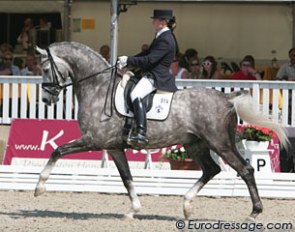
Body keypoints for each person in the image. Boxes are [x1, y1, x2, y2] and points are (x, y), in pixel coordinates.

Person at [117, 9, 178, 146]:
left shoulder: (166, 39)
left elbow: (150, 60)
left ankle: (141, 132)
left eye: (155, 20)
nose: (153, 22)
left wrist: (129, 61)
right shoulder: (160, 35)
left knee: (135, 94)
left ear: (163, 22)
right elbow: (146, 53)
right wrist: (128, 60)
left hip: (157, 76)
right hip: (151, 74)